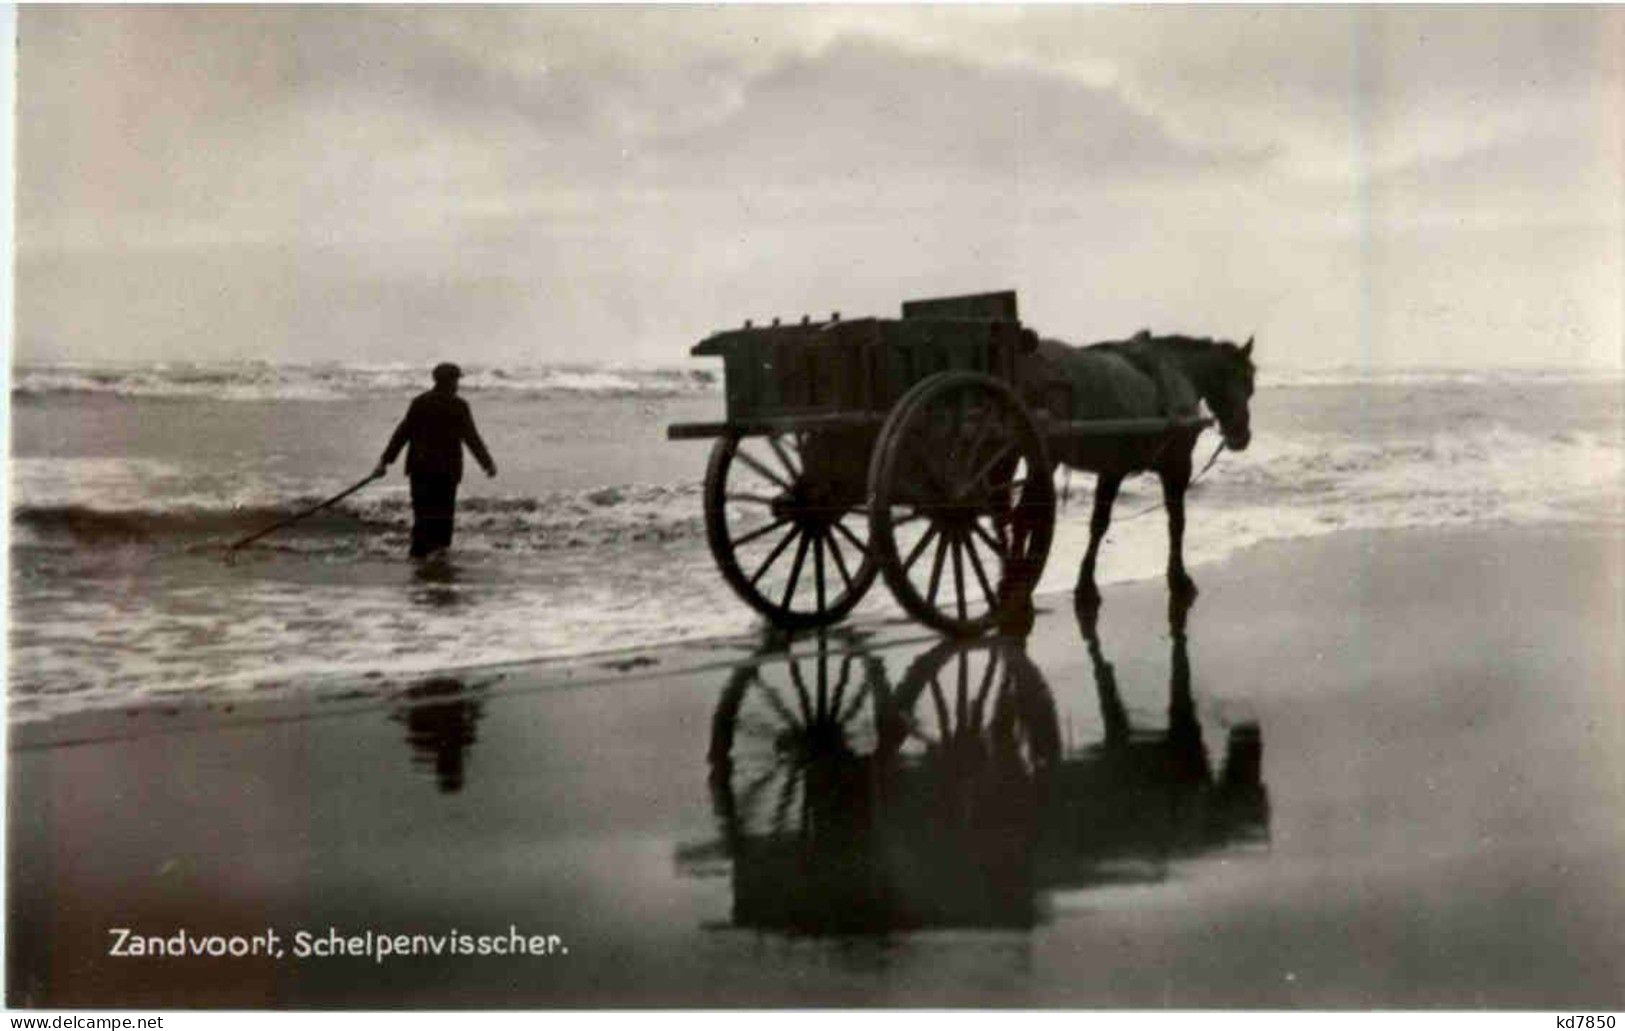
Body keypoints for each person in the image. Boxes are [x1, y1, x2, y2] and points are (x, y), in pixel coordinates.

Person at [375, 362, 497, 559]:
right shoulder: (459, 406)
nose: (458, 385)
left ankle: (419, 559)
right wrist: (487, 464)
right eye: (456, 380)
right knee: (444, 519)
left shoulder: (419, 402)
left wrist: (385, 462)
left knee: (422, 516)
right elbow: (471, 438)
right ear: (450, 382)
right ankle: (438, 562)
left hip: (420, 469)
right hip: (446, 472)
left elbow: (402, 434)